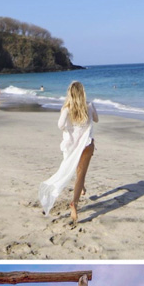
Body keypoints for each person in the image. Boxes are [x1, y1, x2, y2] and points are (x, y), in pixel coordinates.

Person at [38, 81, 97, 225]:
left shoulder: (67, 109)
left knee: (73, 171)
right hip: (86, 145)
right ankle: (74, 205)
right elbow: (96, 119)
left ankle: (80, 188)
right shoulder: (89, 105)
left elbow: (60, 125)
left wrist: (69, 129)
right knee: (81, 174)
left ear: (70, 94)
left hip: (71, 147)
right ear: (83, 93)